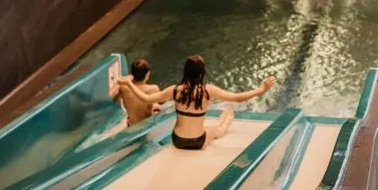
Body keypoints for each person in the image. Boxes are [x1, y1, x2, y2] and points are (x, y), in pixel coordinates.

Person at [118, 55, 276, 150]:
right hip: (197, 141)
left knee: (209, 127)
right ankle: (227, 118)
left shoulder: (175, 90)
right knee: (218, 130)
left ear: (185, 71)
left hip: (178, 141)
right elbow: (237, 97)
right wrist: (261, 89)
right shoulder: (208, 90)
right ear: (202, 72)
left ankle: (226, 117)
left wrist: (129, 84)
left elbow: (145, 99)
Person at [116, 58, 161, 127]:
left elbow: (117, 100)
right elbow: (162, 102)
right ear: (147, 74)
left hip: (131, 125)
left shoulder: (123, 87)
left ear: (132, 74)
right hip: (147, 126)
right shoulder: (153, 89)